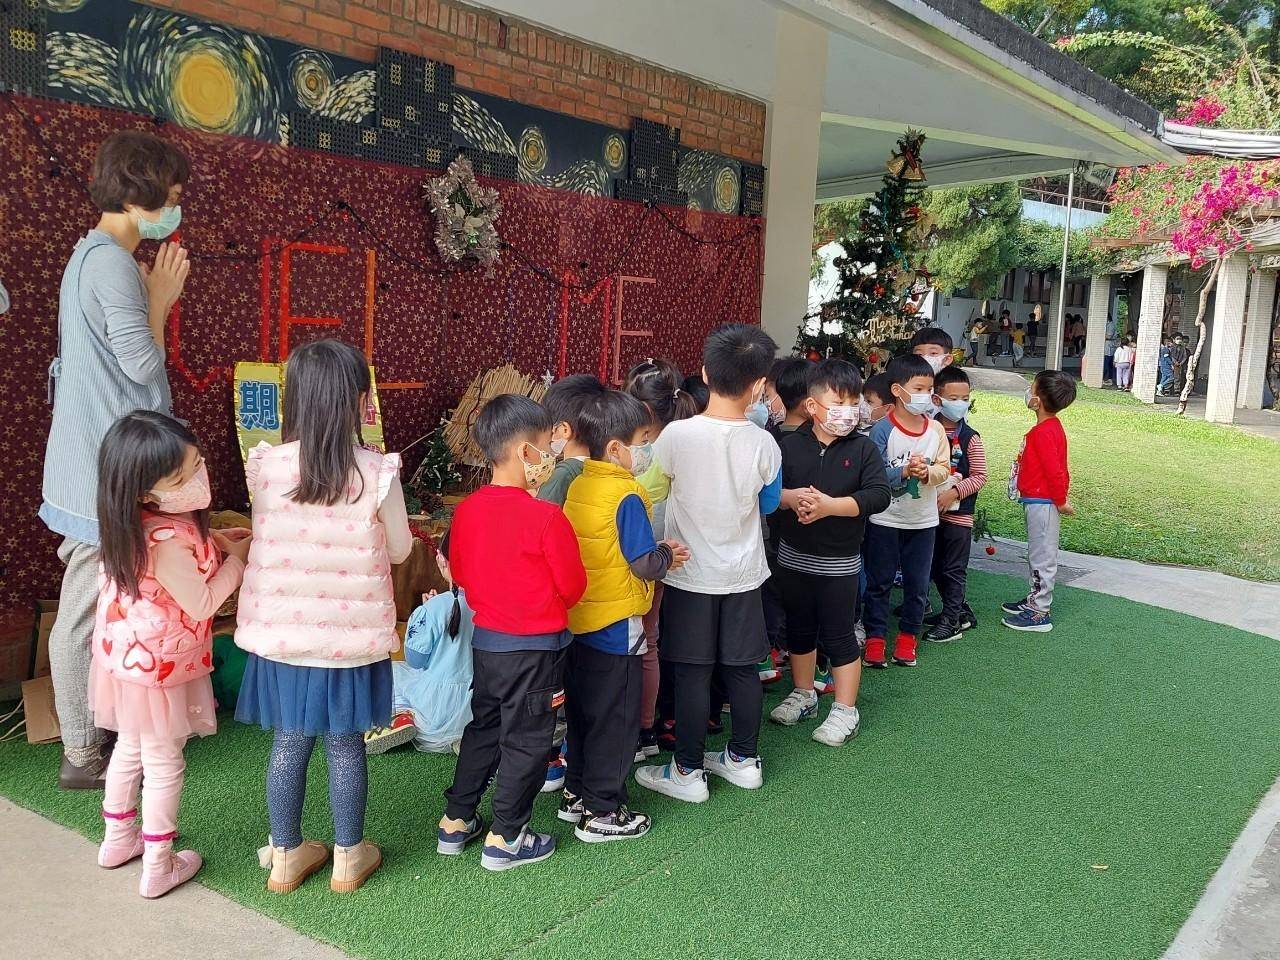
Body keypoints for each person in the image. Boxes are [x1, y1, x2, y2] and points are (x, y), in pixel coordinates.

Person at [40, 131, 192, 790]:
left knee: (107, 605)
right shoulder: (108, 264)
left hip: (98, 462)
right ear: (139, 193)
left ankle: (108, 731)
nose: (177, 209)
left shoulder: (93, 256)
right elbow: (141, 370)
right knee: (84, 610)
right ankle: (81, 751)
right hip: (97, 471)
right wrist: (160, 301)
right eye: (174, 196)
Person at [235, 340, 413, 894]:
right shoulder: (377, 471)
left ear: (294, 401)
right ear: (360, 401)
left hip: (280, 634)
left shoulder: (265, 464)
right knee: (344, 743)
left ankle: (285, 855)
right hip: (350, 639)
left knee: (289, 741)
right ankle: (347, 857)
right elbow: (403, 550)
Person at [91, 411, 249, 898]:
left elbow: (176, 561)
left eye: (197, 463)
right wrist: (238, 564)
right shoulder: (167, 543)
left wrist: (218, 542)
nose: (197, 477)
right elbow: (202, 601)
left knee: (130, 748)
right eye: (183, 476)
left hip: (124, 659)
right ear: (145, 490)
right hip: (162, 667)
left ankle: (118, 839)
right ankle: (159, 863)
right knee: (164, 762)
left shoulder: (128, 524)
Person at [438, 394, 587, 871]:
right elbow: (572, 586)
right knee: (528, 738)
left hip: (488, 644)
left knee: (485, 727)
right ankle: (507, 836)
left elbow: (458, 570)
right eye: (547, 446)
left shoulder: (466, 511)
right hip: (536, 650)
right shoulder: (545, 516)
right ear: (526, 452)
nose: (551, 456)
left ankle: (456, 821)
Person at [635, 323, 782, 803]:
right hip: (743, 576)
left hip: (689, 574)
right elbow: (768, 504)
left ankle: (688, 771)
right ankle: (744, 760)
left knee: (694, 673)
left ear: (704, 372)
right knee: (742, 670)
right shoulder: (765, 443)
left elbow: (649, 491)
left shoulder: (676, 435)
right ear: (760, 386)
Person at [559, 391, 687, 841]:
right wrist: (668, 553)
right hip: (619, 626)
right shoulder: (627, 494)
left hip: (580, 621)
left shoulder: (578, 484)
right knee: (617, 720)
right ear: (616, 448)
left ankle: (576, 793)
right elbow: (644, 564)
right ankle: (604, 809)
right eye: (642, 441)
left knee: (584, 711)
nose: (645, 452)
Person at [769, 361, 890, 746]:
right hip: (793, 558)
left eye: (853, 402)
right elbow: (771, 492)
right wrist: (791, 499)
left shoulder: (864, 448)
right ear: (811, 406)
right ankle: (804, 693)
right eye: (838, 401)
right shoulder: (788, 445)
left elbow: (878, 496)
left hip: (839, 564)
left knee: (838, 634)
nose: (847, 411)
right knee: (800, 629)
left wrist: (829, 506)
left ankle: (844, 708)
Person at [625, 359, 701, 758]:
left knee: (641, 642)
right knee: (652, 640)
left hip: (644, 558)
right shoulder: (684, 441)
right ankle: (650, 727)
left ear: (644, 411)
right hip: (672, 555)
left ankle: (639, 727)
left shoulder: (647, 453)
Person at [862, 355, 951, 669]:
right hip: (884, 520)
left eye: (929, 388)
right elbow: (872, 477)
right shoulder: (882, 430)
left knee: (917, 583)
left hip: (923, 521)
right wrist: (902, 474)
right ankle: (875, 639)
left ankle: (907, 638)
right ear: (898, 391)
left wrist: (926, 474)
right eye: (920, 388)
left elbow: (945, 469)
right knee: (879, 581)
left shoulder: (936, 430)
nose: (927, 395)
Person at [1003, 370, 1076, 633]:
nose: (1028, 394)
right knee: (1038, 552)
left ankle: (1039, 611)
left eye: (1032, 389)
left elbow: (1055, 470)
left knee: (1042, 555)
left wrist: (1060, 500)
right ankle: (1035, 597)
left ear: (1039, 399)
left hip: (1044, 502)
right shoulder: (1047, 428)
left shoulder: (1044, 432)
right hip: (1038, 500)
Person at [394, 538, 474, 753]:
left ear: (441, 560)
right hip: (476, 706)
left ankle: (401, 717)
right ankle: (462, 736)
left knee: (392, 672)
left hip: (432, 709)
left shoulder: (433, 608)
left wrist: (428, 610)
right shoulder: (491, 605)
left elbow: (415, 660)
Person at [925, 366, 986, 643]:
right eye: (954, 398)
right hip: (929, 513)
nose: (960, 404)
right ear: (937, 399)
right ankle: (958, 611)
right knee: (935, 566)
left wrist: (955, 493)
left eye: (965, 398)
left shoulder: (970, 437)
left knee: (953, 568)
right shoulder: (928, 431)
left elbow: (981, 476)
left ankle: (951, 621)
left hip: (958, 516)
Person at [538, 373, 607, 507]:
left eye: (551, 428)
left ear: (565, 430)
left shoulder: (563, 474)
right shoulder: (605, 467)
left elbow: (539, 519)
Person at [1103, 317, 1119, 386]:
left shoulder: (1111, 325)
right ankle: (1108, 378)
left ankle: (1107, 378)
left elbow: (1109, 336)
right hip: (1108, 346)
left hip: (1109, 346)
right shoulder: (1108, 324)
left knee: (1107, 363)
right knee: (1107, 363)